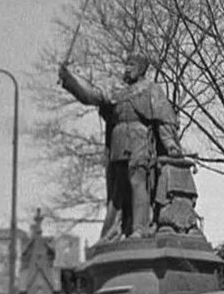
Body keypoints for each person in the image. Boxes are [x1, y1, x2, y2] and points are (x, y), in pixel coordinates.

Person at [58, 55, 183, 240]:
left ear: (141, 69)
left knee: (137, 182)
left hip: (139, 140)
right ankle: (113, 231)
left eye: (131, 65)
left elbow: (164, 120)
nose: (127, 68)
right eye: (126, 65)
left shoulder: (151, 89)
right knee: (117, 189)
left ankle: (140, 228)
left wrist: (170, 144)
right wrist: (69, 79)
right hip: (118, 141)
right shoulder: (115, 90)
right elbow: (90, 96)